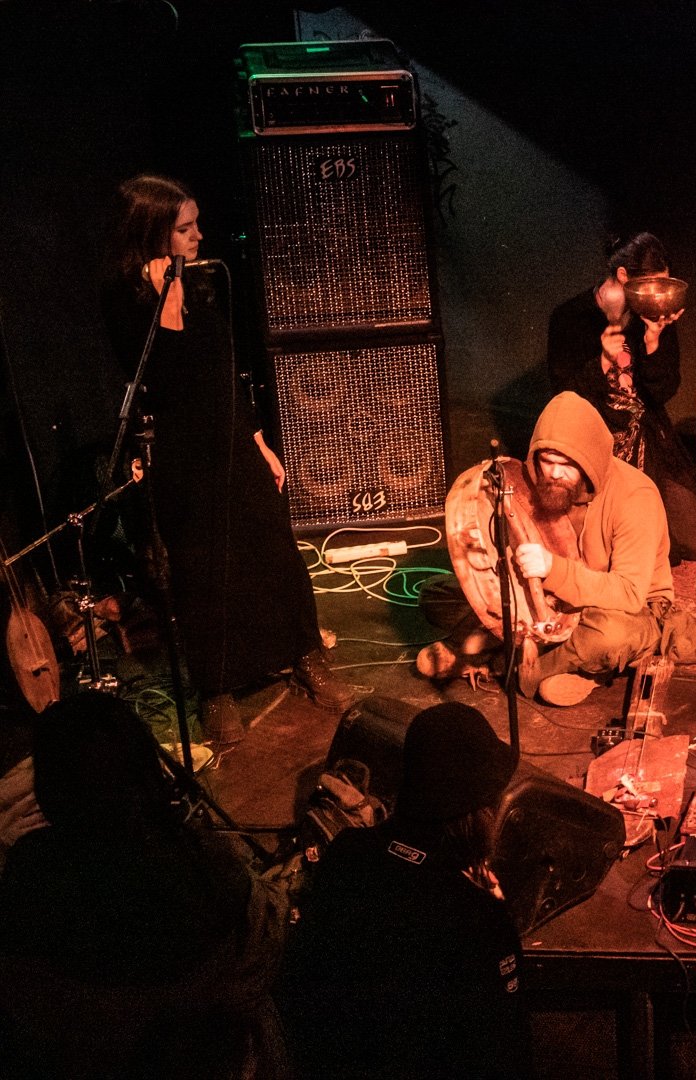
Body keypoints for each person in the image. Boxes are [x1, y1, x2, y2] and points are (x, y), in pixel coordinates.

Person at [101, 174, 353, 743]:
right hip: (179, 448)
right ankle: (216, 690)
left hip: (231, 436)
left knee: (273, 545)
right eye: (184, 228)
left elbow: (226, 370)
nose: (198, 236)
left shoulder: (203, 280)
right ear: (153, 233)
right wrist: (167, 296)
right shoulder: (125, 298)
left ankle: (305, 655)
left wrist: (259, 441)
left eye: (196, 225)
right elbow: (162, 376)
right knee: (201, 566)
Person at [0, 692, 287, 1078]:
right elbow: (263, 949)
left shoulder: (29, 869)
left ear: (50, 789)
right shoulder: (203, 862)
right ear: (146, 772)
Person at [277, 702, 534, 1079]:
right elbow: (504, 1046)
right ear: (480, 811)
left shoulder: (347, 850)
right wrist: (491, 909)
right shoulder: (477, 917)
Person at [419, 391, 676, 707]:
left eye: (566, 465)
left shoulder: (635, 497)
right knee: (435, 594)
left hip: (621, 606)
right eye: (547, 462)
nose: (554, 473)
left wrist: (552, 569)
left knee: (609, 635)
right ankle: (533, 651)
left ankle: (504, 663)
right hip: (557, 599)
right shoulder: (542, 482)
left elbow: (628, 593)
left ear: (589, 461)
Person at [546, 232, 696, 563]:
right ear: (623, 276)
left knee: (694, 542)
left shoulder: (651, 315)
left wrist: (653, 341)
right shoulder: (571, 317)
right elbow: (565, 399)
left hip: (645, 445)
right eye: (652, 285)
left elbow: (663, 392)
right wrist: (602, 362)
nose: (658, 295)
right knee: (596, 548)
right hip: (597, 443)